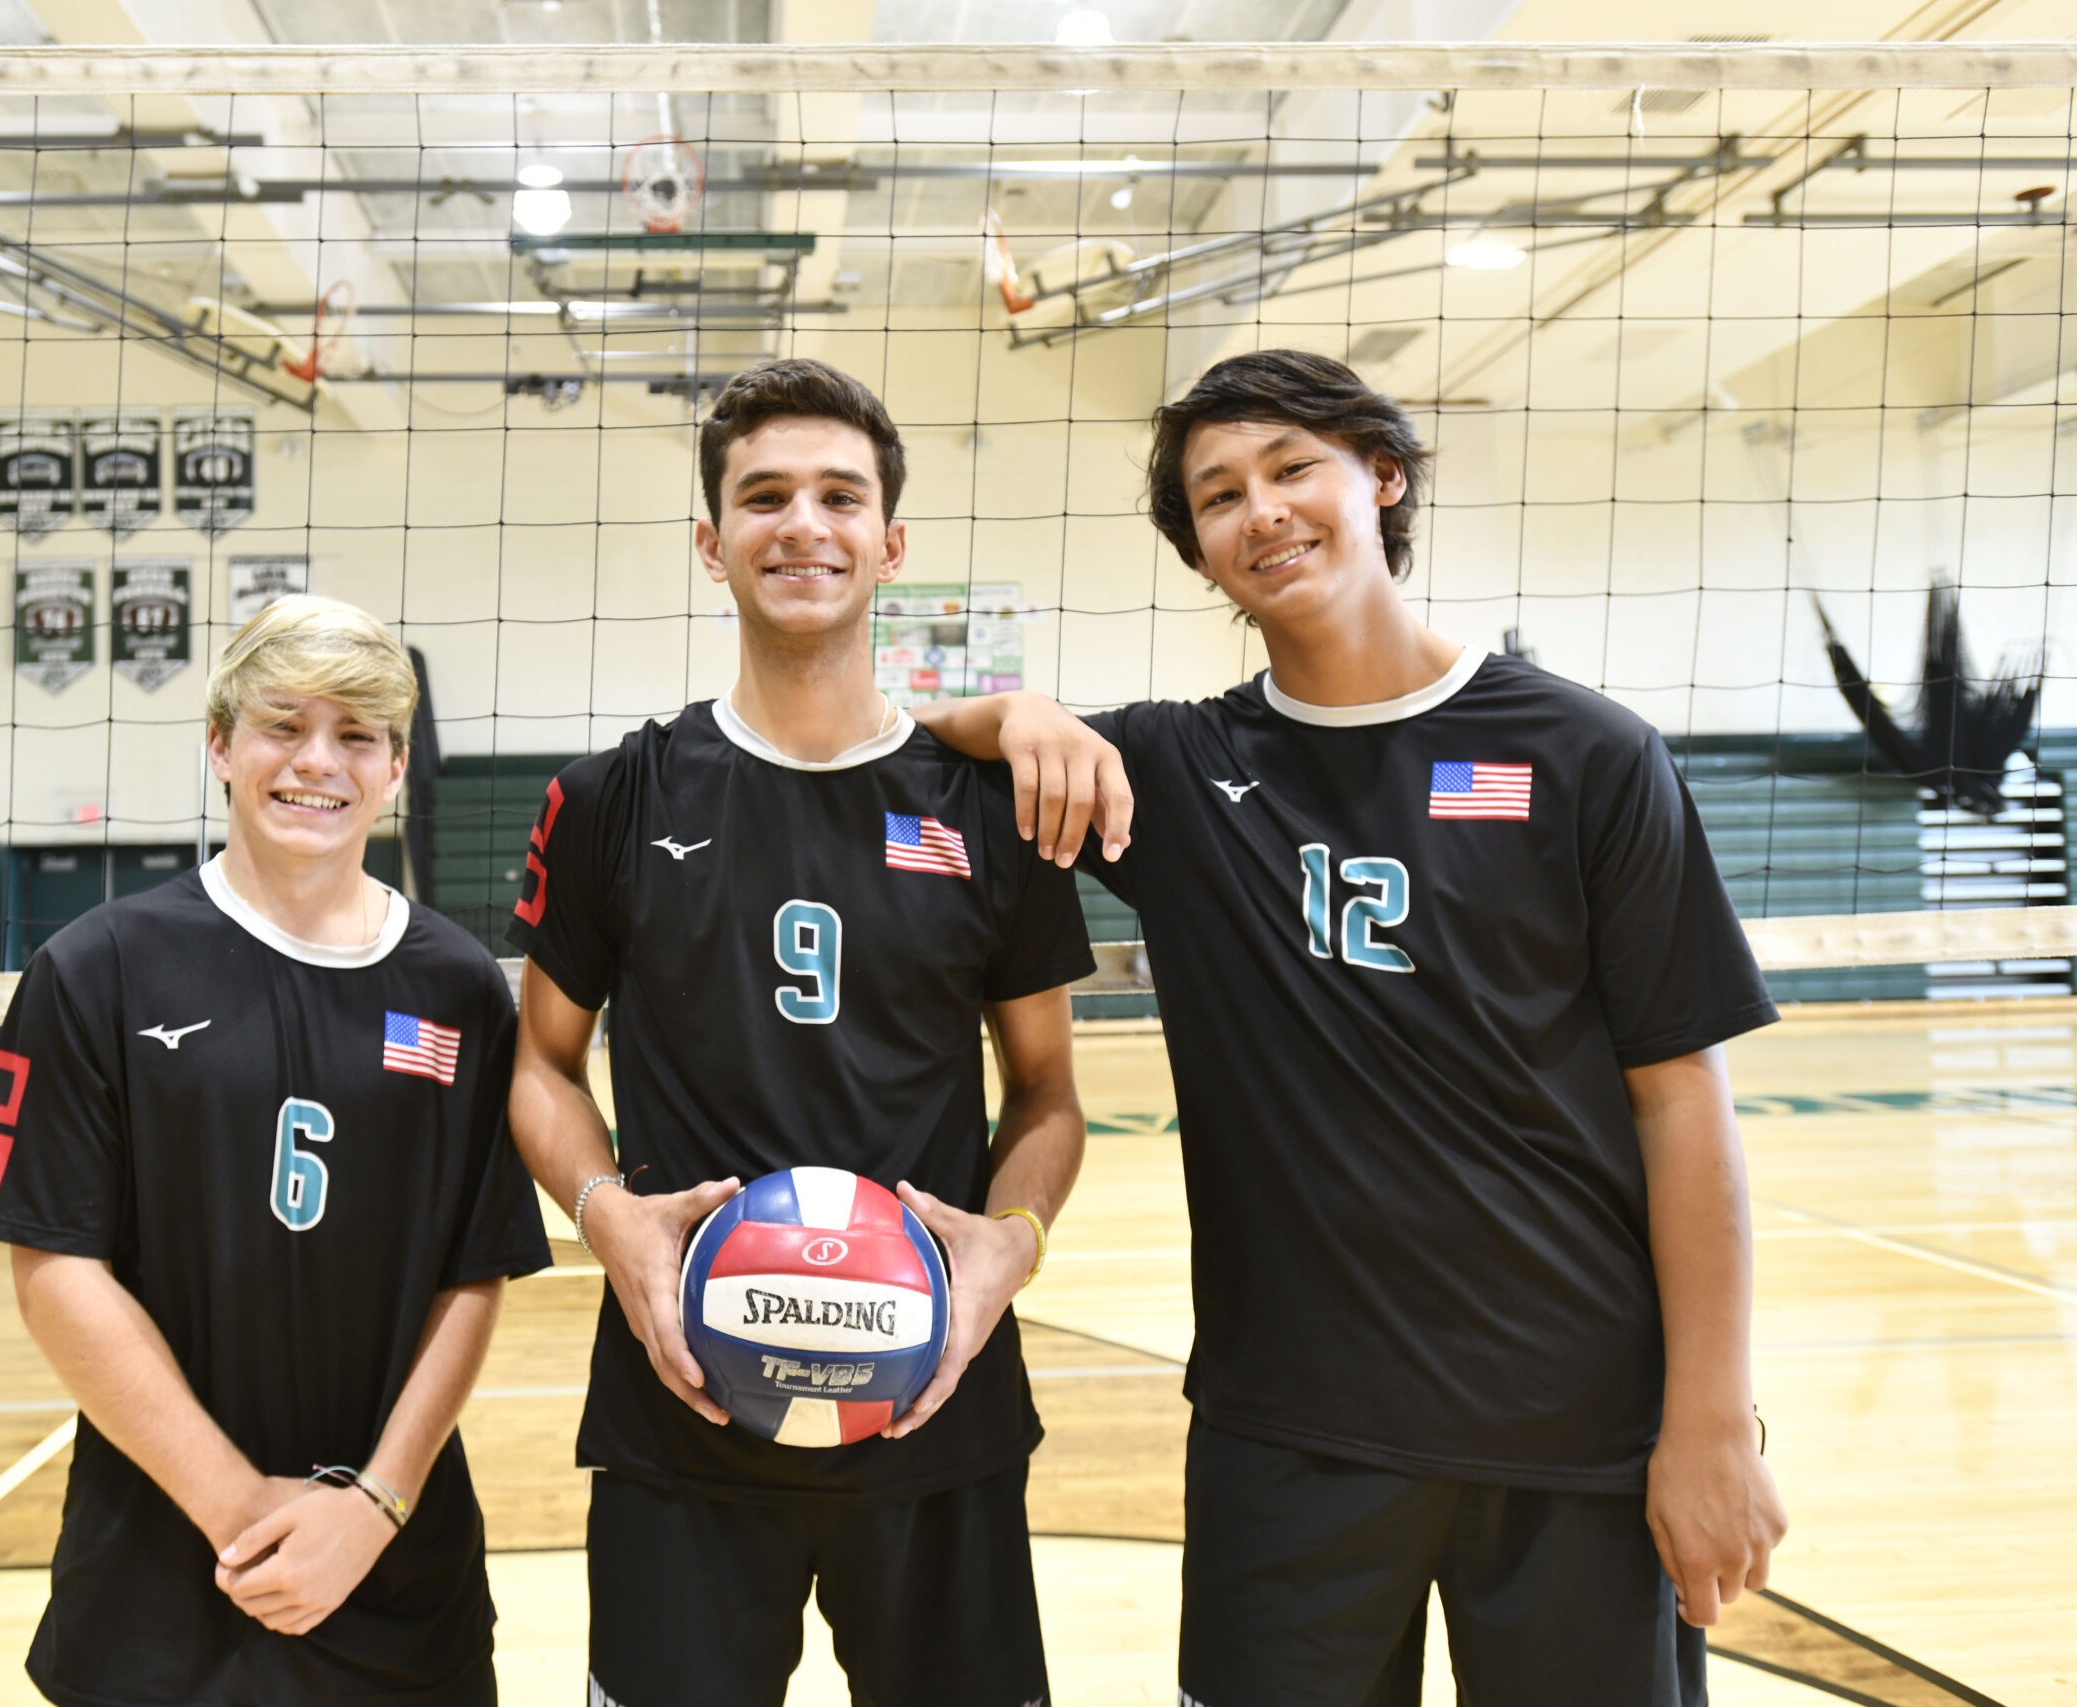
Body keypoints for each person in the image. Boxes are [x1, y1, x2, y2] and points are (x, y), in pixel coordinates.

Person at [914, 349, 1789, 1705]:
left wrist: (1712, 1419)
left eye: (1290, 467)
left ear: (1382, 476)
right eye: (1217, 495)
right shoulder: (1179, 774)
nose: (1260, 510)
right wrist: (1016, 704)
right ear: (1199, 553)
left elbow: (1684, 1101)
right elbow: (922, 735)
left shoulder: (1586, 754)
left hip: (1575, 1427)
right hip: (1291, 1440)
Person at [506, 357, 1097, 1707]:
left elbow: (1050, 1092)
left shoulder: (992, 805)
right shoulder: (611, 796)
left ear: (890, 541)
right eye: (763, 496)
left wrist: (1011, 1244)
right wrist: (609, 1217)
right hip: (683, 1402)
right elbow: (538, 1063)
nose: (803, 523)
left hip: (935, 1398)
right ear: (712, 542)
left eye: (841, 494)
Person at [0, 596, 550, 1707]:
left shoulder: (459, 985)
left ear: (396, 768)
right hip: (163, 1566)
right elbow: (54, 1270)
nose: (318, 762)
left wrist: (372, 1506)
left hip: (395, 1563)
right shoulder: (96, 968)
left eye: (357, 734)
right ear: (220, 743)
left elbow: (475, 1271)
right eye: (283, 725)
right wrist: (243, 1513)